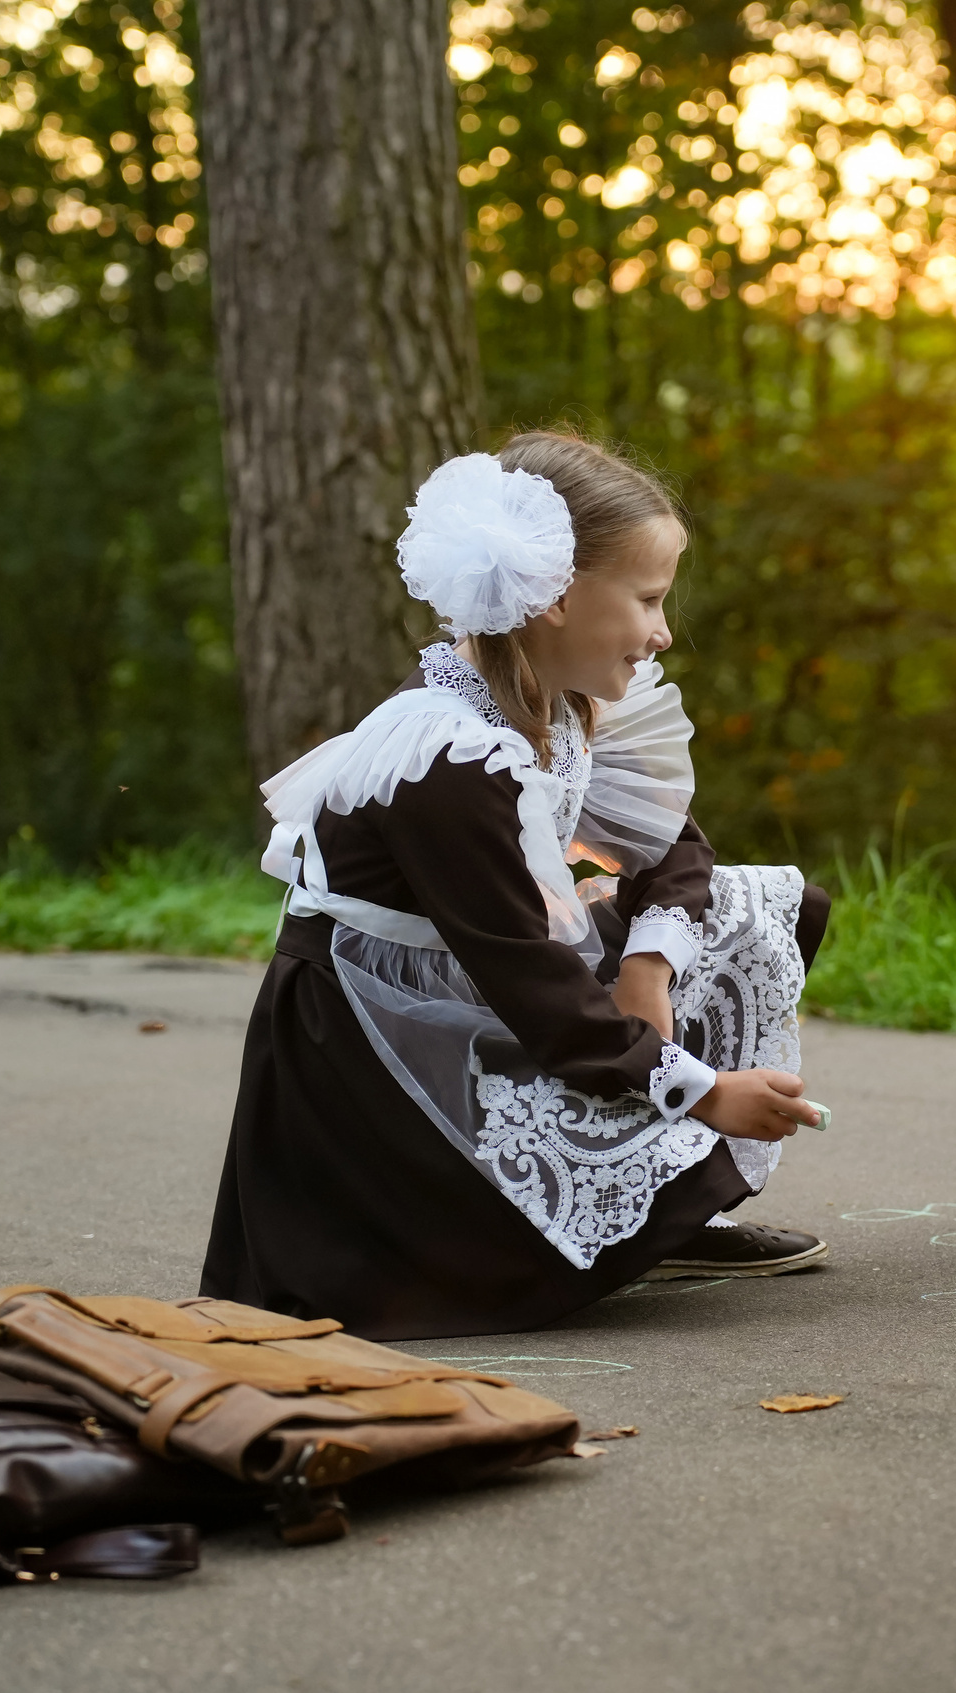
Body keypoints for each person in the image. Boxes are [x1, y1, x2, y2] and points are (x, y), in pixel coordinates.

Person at [201, 431, 832, 1338]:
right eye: (649, 600)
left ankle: (670, 1200)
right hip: (373, 1045)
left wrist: (646, 971)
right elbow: (532, 985)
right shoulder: (447, 757)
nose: (662, 631)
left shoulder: (570, 702)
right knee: (626, 1048)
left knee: (758, 907)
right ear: (559, 598)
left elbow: (676, 849)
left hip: (496, 985)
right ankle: (636, 1197)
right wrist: (700, 1090)